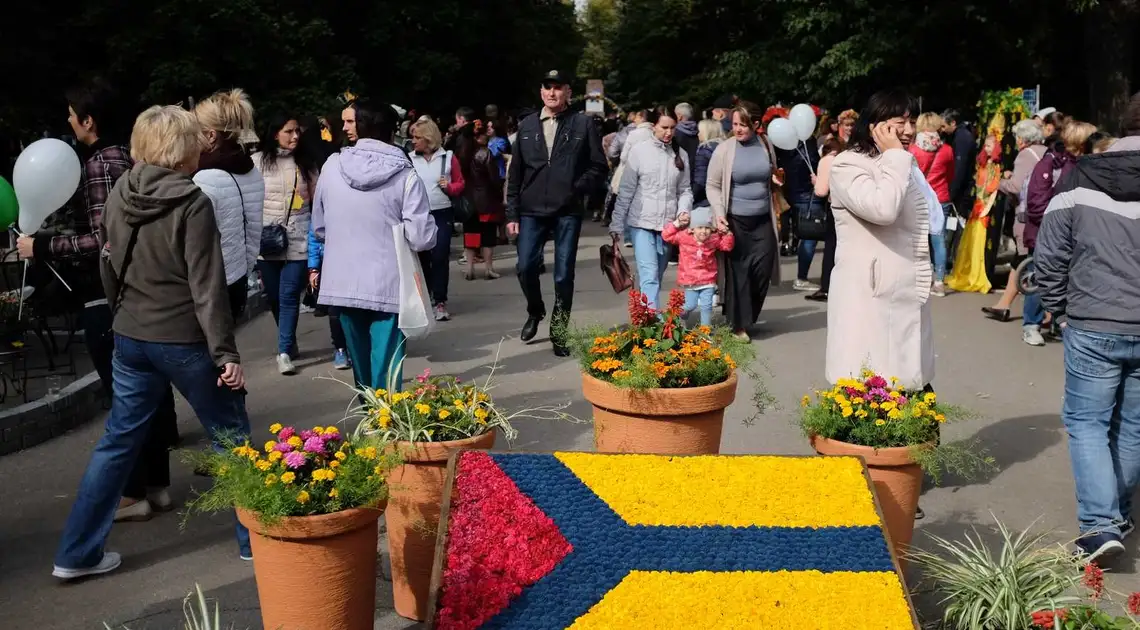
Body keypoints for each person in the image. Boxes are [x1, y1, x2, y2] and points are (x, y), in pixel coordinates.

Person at [53, 105, 251, 579]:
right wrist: (226, 353)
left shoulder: (121, 189)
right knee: (232, 437)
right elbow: (207, 287)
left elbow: (108, 261)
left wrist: (120, 310)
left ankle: (75, 555)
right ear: (183, 147)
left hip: (131, 334)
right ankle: (256, 542)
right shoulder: (191, 201)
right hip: (183, 338)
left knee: (118, 442)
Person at [1035, 92, 1140, 561]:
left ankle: (1100, 527)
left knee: (1088, 423)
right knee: (1133, 426)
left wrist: (1057, 306)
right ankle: (1116, 514)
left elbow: (1051, 250)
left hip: (1093, 319)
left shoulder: (1080, 177)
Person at [17, 78, 131, 400]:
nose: (68, 121)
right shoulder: (123, 154)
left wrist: (41, 246)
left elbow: (103, 241)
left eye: (71, 114)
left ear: (88, 120)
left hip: (105, 292)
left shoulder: (100, 166)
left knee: (119, 386)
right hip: (127, 289)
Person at [312, 98, 436, 390]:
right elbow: (422, 238)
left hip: (342, 282)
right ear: (393, 133)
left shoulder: (331, 167)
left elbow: (319, 226)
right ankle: (389, 427)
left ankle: (369, 422)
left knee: (362, 369)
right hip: (389, 284)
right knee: (388, 369)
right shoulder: (406, 175)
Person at [826, 89, 934, 390]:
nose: (909, 131)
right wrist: (895, 157)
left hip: (907, 288)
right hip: (871, 292)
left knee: (909, 379)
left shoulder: (899, 162)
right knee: (871, 384)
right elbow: (883, 209)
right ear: (876, 125)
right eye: (900, 122)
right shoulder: (848, 164)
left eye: (912, 122)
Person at [507, 69, 606, 356]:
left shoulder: (582, 124)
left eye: (557, 88)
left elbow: (598, 166)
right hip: (531, 209)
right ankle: (535, 310)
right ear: (541, 92)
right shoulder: (526, 126)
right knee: (525, 267)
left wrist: (576, 188)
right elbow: (515, 175)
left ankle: (559, 328)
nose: (552, 93)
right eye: (547, 87)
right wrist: (512, 214)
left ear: (567, 92)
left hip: (567, 210)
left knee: (563, 275)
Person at [705, 101, 783, 342]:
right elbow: (712, 185)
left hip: (762, 220)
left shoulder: (766, 144)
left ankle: (747, 316)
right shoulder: (725, 150)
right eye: (735, 124)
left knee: (762, 271)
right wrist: (719, 213)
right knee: (739, 272)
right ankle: (739, 325)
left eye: (743, 125)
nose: (737, 129)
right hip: (735, 220)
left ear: (757, 125)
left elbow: (771, 174)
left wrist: (775, 181)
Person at [1020, 120, 1097, 347]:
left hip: (1076, 235)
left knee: (1069, 281)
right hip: (1047, 233)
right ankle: (1031, 325)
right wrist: (1059, 228)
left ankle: (1058, 322)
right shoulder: (1050, 165)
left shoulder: (1086, 165)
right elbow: (1036, 203)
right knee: (1040, 278)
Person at [610, 108, 693, 309]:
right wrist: (616, 224)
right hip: (641, 223)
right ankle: (652, 325)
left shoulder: (680, 154)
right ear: (653, 126)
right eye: (664, 127)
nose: (668, 132)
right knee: (649, 275)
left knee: (656, 274)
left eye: (673, 128)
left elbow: (685, 190)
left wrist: (684, 210)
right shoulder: (639, 151)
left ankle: (643, 312)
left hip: (668, 226)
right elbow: (626, 191)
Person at [253, 115, 317, 375]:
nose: (295, 136)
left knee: (290, 295)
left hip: (299, 240)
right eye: (288, 131)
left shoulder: (306, 163)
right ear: (274, 133)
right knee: (276, 298)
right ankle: (289, 342)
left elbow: (318, 199)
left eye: (297, 131)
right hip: (267, 242)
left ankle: (283, 352)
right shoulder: (256, 163)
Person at [193, 89, 264, 320]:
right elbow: (253, 231)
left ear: (211, 135)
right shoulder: (252, 171)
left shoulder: (204, 179)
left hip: (211, 286)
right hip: (239, 277)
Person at [982, 119, 1048, 322]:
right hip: (1046, 213)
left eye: (1018, 137)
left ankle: (1045, 315)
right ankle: (1003, 305)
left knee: (1028, 261)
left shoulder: (1025, 155)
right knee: (1019, 261)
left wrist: (998, 183)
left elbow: (1017, 187)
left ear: (1023, 139)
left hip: (1028, 216)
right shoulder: (1046, 152)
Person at [409, 118, 464, 320]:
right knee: (422, 258)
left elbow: (460, 184)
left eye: (417, 137)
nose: (413, 141)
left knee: (440, 256)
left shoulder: (447, 158)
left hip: (442, 212)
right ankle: (426, 298)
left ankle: (440, 301)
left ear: (428, 138)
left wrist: (449, 187)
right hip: (418, 213)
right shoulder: (410, 159)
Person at [909, 112, 956, 297]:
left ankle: (920, 277)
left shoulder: (913, 150)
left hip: (919, 197)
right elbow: (951, 175)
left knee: (918, 239)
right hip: (941, 197)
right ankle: (939, 281)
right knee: (939, 240)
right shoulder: (947, 150)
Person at [662, 207, 735, 325]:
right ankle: (677, 314)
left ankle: (705, 331)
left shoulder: (713, 239)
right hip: (690, 280)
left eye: (707, 228)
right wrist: (677, 223)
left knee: (706, 306)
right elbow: (666, 235)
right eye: (700, 227)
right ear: (692, 229)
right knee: (690, 305)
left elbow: (726, 246)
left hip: (708, 279)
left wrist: (727, 233)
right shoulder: (684, 237)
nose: (703, 231)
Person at [775, 130, 823, 292]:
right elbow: (814, 166)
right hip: (808, 194)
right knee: (810, 235)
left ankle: (801, 275)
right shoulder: (807, 146)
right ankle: (801, 277)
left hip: (792, 192)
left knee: (802, 232)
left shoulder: (785, 147)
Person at [804, 135, 846, 302]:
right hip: (851, 208)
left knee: (831, 249)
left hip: (834, 207)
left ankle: (827, 287)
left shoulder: (827, 160)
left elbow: (821, 191)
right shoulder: (846, 158)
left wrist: (816, 181)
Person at [463, 121, 504, 280]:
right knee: (487, 235)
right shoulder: (485, 153)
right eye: (483, 134)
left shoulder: (463, 154)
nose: (486, 135)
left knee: (471, 234)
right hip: (486, 198)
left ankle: (470, 269)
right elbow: (494, 177)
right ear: (477, 137)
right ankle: (488, 268)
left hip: (469, 200)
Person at [674, 102, 700, 178]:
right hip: (696, 168)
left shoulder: (675, 133)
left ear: (679, 116)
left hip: (682, 171)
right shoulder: (699, 129)